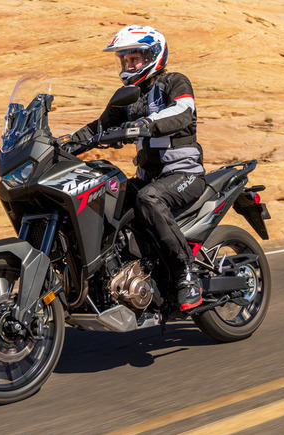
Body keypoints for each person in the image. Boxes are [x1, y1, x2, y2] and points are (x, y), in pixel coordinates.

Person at [60, 25, 206, 312]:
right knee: (105, 200)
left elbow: (181, 112)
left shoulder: (174, 82)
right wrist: (62, 144)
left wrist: (144, 125)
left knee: (148, 198)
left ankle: (186, 273)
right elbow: (98, 128)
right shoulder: (128, 96)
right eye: (125, 60)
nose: (130, 65)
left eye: (135, 58)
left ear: (154, 55)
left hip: (184, 174)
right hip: (148, 177)